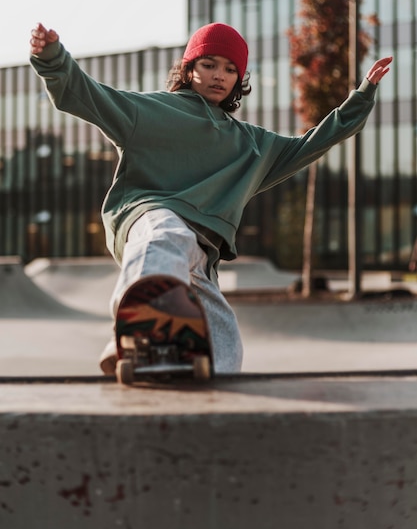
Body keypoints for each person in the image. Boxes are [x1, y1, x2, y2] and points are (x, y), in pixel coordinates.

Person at [29, 22, 392, 375]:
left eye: (230, 69)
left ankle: (184, 386)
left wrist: (360, 98)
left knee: (223, 340)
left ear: (239, 79)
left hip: (202, 253)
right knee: (170, 234)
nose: (220, 75)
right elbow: (84, 95)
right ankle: (132, 336)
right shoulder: (149, 110)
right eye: (209, 64)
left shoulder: (252, 145)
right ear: (189, 69)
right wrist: (53, 58)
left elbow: (312, 144)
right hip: (148, 216)